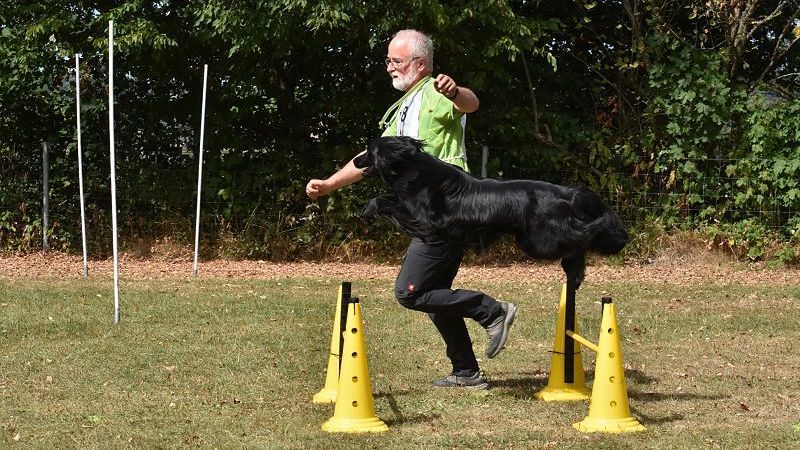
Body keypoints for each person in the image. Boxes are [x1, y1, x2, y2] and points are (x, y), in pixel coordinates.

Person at [305, 30, 517, 390]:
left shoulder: (434, 90)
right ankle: (466, 371)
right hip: (435, 210)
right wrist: (328, 184)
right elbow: (368, 160)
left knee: (411, 292)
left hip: (446, 209)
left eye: (396, 61)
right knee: (435, 294)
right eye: (388, 60)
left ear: (420, 65)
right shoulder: (403, 106)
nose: (389, 67)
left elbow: (470, 104)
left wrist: (455, 92)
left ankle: (492, 311)